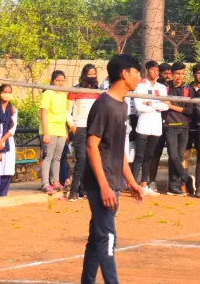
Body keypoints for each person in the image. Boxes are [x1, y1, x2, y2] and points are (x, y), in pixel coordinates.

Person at [81, 54, 146, 284]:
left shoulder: (122, 105)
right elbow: (92, 146)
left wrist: (131, 182)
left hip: (113, 181)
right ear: (124, 74)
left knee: (97, 237)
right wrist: (104, 186)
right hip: (101, 184)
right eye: (137, 72)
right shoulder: (103, 105)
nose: (140, 77)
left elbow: (118, 149)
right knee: (108, 237)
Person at [132, 60, 169, 195]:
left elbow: (165, 106)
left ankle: (144, 184)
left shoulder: (162, 87)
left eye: (157, 70)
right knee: (139, 155)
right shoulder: (140, 86)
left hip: (156, 124)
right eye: (153, 70)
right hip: (143, 123)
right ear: (147, 70)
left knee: (149, 155)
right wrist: (156, 104)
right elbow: (139, 107)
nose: (155, 72)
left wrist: (150, 103)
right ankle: (133, 184)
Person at [67, 67, 101, 201]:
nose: (92, 76)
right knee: (81, 159)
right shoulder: (76, 90)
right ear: (84, 74)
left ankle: (84, 189)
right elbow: (67, 110)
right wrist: (72, 125)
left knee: (91, 160)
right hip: (79, 127)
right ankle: (73, 191)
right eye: (89, 74)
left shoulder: (97, 91)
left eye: (94, 74)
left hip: (93, 128)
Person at [39, 70, 71, 193]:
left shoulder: (63, 95)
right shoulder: (47, 93)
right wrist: (46, 132)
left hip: (60, 129)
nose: (60, 83)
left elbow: (64, 114)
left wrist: (66, 131)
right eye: (58, 80)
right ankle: (45, 183)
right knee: (48, 157)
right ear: (53, 81)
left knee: (58, 158)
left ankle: (56, 182)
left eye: (62, 80)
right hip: (50, 129)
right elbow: (44, 113)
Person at [164, 62, 193, 196]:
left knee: (179, 156)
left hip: (184, 126)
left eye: (182, 73)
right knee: (173, 155)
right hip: (170, 126)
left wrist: (172, 106)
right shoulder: (165, 88)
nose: (180, 76)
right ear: (171, 74)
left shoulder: (188, 89)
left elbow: (189, 110)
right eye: (177, 73)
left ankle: (173, 186)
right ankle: (186, 178)